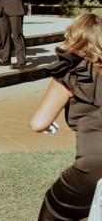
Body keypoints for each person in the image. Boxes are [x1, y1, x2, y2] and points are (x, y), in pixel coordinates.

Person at [31, 14, 102, 220]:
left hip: (94, 165)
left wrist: (50, 121)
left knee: (54, 209)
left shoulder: (70, 72)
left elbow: (38, 123)